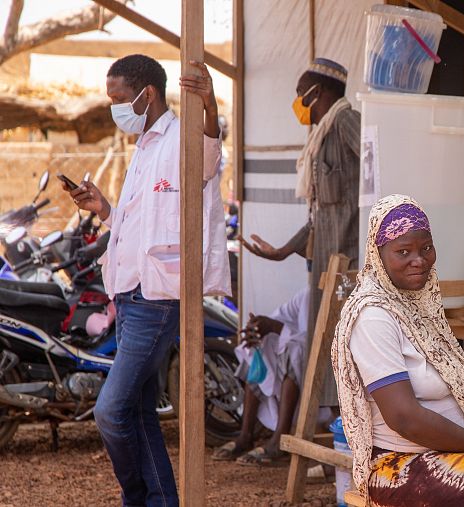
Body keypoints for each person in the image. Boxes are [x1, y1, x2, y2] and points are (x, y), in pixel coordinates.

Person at [65, 54, 229, 506]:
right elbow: (141, 227)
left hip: (156, 298)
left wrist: (211, 108)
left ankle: (137, 498)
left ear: (147, 94)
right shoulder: (144, 147)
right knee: (138, 411)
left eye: (119, 98)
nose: (114, 108)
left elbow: (210, 153)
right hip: (130, 292)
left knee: (111, 409)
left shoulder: (182, 138)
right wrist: (104, 210)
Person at [332, 195, 464, 506]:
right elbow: (405, 418)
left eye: (426, 248)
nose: (419, 260)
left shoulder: (416, 308)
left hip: (452, 455)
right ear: (378, 255)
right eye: (403, 252)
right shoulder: (373, 316)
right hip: (402, 467)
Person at [241, 58, 360, 408]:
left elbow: (376, 168)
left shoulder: (345, 122)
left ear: (316, 92)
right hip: (326, 265)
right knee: (327, 353)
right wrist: (281, 251)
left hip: (348, 267)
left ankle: (347, 438)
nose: (298, 104)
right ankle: (338, 437)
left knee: (345, 351)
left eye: (299, 95)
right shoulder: (323, 135)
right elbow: (321, 214)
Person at [213, 287, 310, 465]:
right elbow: (278, 318)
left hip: (327, 367)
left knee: (295, 351)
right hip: (303, 357)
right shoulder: (306, 294)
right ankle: (246, 435)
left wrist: (274, 326)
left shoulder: (337, 293)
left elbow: (311, 340)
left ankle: (281, 438)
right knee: (261, 344)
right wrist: (258, 327)